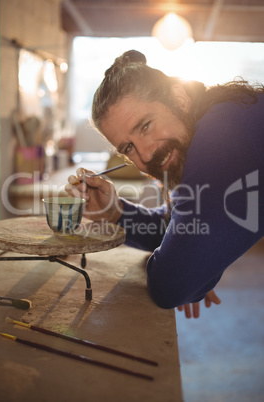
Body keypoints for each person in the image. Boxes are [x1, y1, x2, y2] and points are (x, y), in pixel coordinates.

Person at [66, 50, 264, 318]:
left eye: (146, 126)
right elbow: (178, 230)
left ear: (179, 99)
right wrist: (115, 212)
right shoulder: (214, 118)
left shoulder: (221, 137)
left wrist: (190, 267)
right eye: (128, 147)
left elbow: (170, 285)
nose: (146, 154)